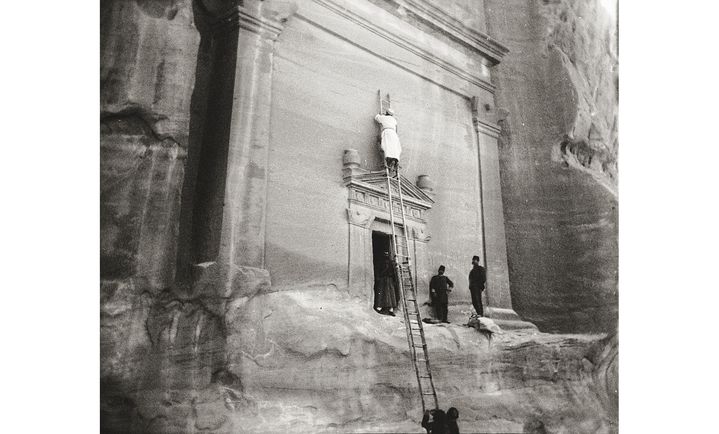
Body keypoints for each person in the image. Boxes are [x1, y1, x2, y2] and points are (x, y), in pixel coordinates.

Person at [374, 108, 402, 174]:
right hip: (394, 134)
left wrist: (380, 114)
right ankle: (394, 162)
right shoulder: (394, 120)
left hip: (387, 133)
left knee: (386, 147)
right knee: (395, 148)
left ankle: (386, 163)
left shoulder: (384, 118)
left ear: (386, 113)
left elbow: (376, 117)